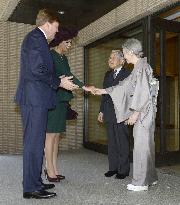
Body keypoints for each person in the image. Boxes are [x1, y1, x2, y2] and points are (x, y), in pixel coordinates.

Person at [14, 9, 78, 199]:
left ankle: (35, 182)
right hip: (34, 100)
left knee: (36, 143)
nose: (57, 32)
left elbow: (40, 69)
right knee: (33, 145)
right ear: (47, 23)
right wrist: (59, 82)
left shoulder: (38, 40)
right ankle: (31, 188)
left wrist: (58, 79)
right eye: (56, 27)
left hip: (37, 99)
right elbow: (37, 69)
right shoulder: (36, 38)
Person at [92, 38, 158, 191]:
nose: (124, 57)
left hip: (142, 113)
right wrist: (103, 90)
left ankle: (141, 183)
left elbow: (143, 93)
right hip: (145, 112)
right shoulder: (138, 67)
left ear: (130, 52)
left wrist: (134, 113)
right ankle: (151, 177)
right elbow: (122, 86)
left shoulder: (141, 67)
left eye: (124, 53)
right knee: (147, 146)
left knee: (141, 147)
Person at [44, 27, 93, 182]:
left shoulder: (63, 58)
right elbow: (47, 77)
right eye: (67, 42)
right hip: (53, 99)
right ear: (59, 42)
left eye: (71, 43)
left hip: (63, 100)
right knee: (50, 135)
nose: (70, 45)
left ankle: (54, 168)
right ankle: (49, 169)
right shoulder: (50, 55)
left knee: (57, 136)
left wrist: (84, 86)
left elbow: (70, 76)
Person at [98, 50, 130, 179]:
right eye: (109, 58)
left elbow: (129, 95)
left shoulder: (128, 74)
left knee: (122, 141)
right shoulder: (107, 75)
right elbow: (104, 95)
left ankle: (123, 170)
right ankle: (113, 168)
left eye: (113, 58)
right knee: (111, 142)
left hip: (121, 113)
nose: (110, 60)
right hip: (109, 112)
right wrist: (101, 111)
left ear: (122, 61)